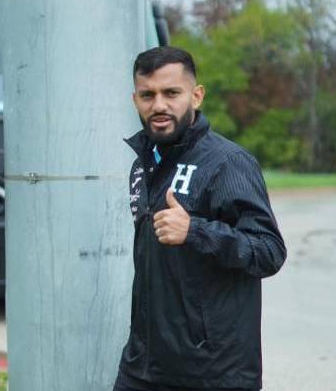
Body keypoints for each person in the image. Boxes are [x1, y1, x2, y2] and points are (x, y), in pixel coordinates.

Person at [114, 46, 287, 391]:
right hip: (143, 365)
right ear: (135, 100)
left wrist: (195, 230)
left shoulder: (228, 163)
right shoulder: (143, 163)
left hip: (213, 374)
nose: (158, 105)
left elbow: (269, 251)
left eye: (171, 93)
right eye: (148, 95)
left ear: (196, 96)